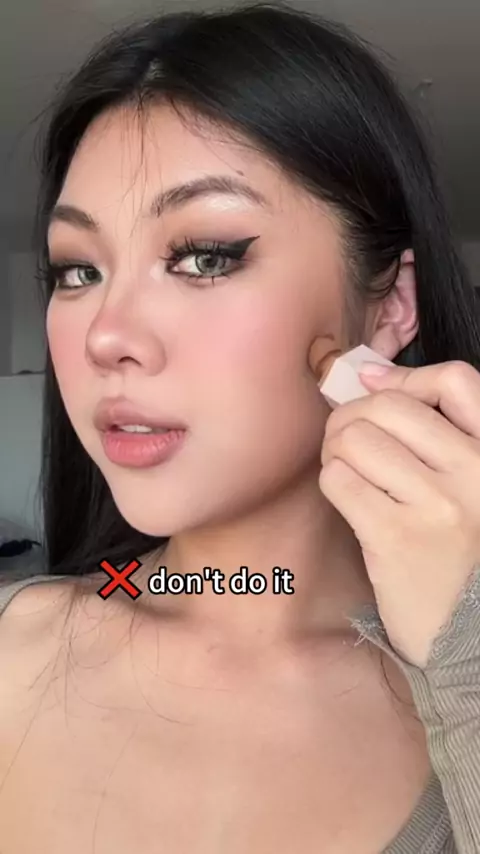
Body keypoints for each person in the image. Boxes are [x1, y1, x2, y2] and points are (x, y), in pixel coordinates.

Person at [1, 2, 479, 851]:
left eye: (205, 256)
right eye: (77, 270)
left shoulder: (461, 685)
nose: (105, 335)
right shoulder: (15, 648)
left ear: (388, 307)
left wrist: (466, 652)